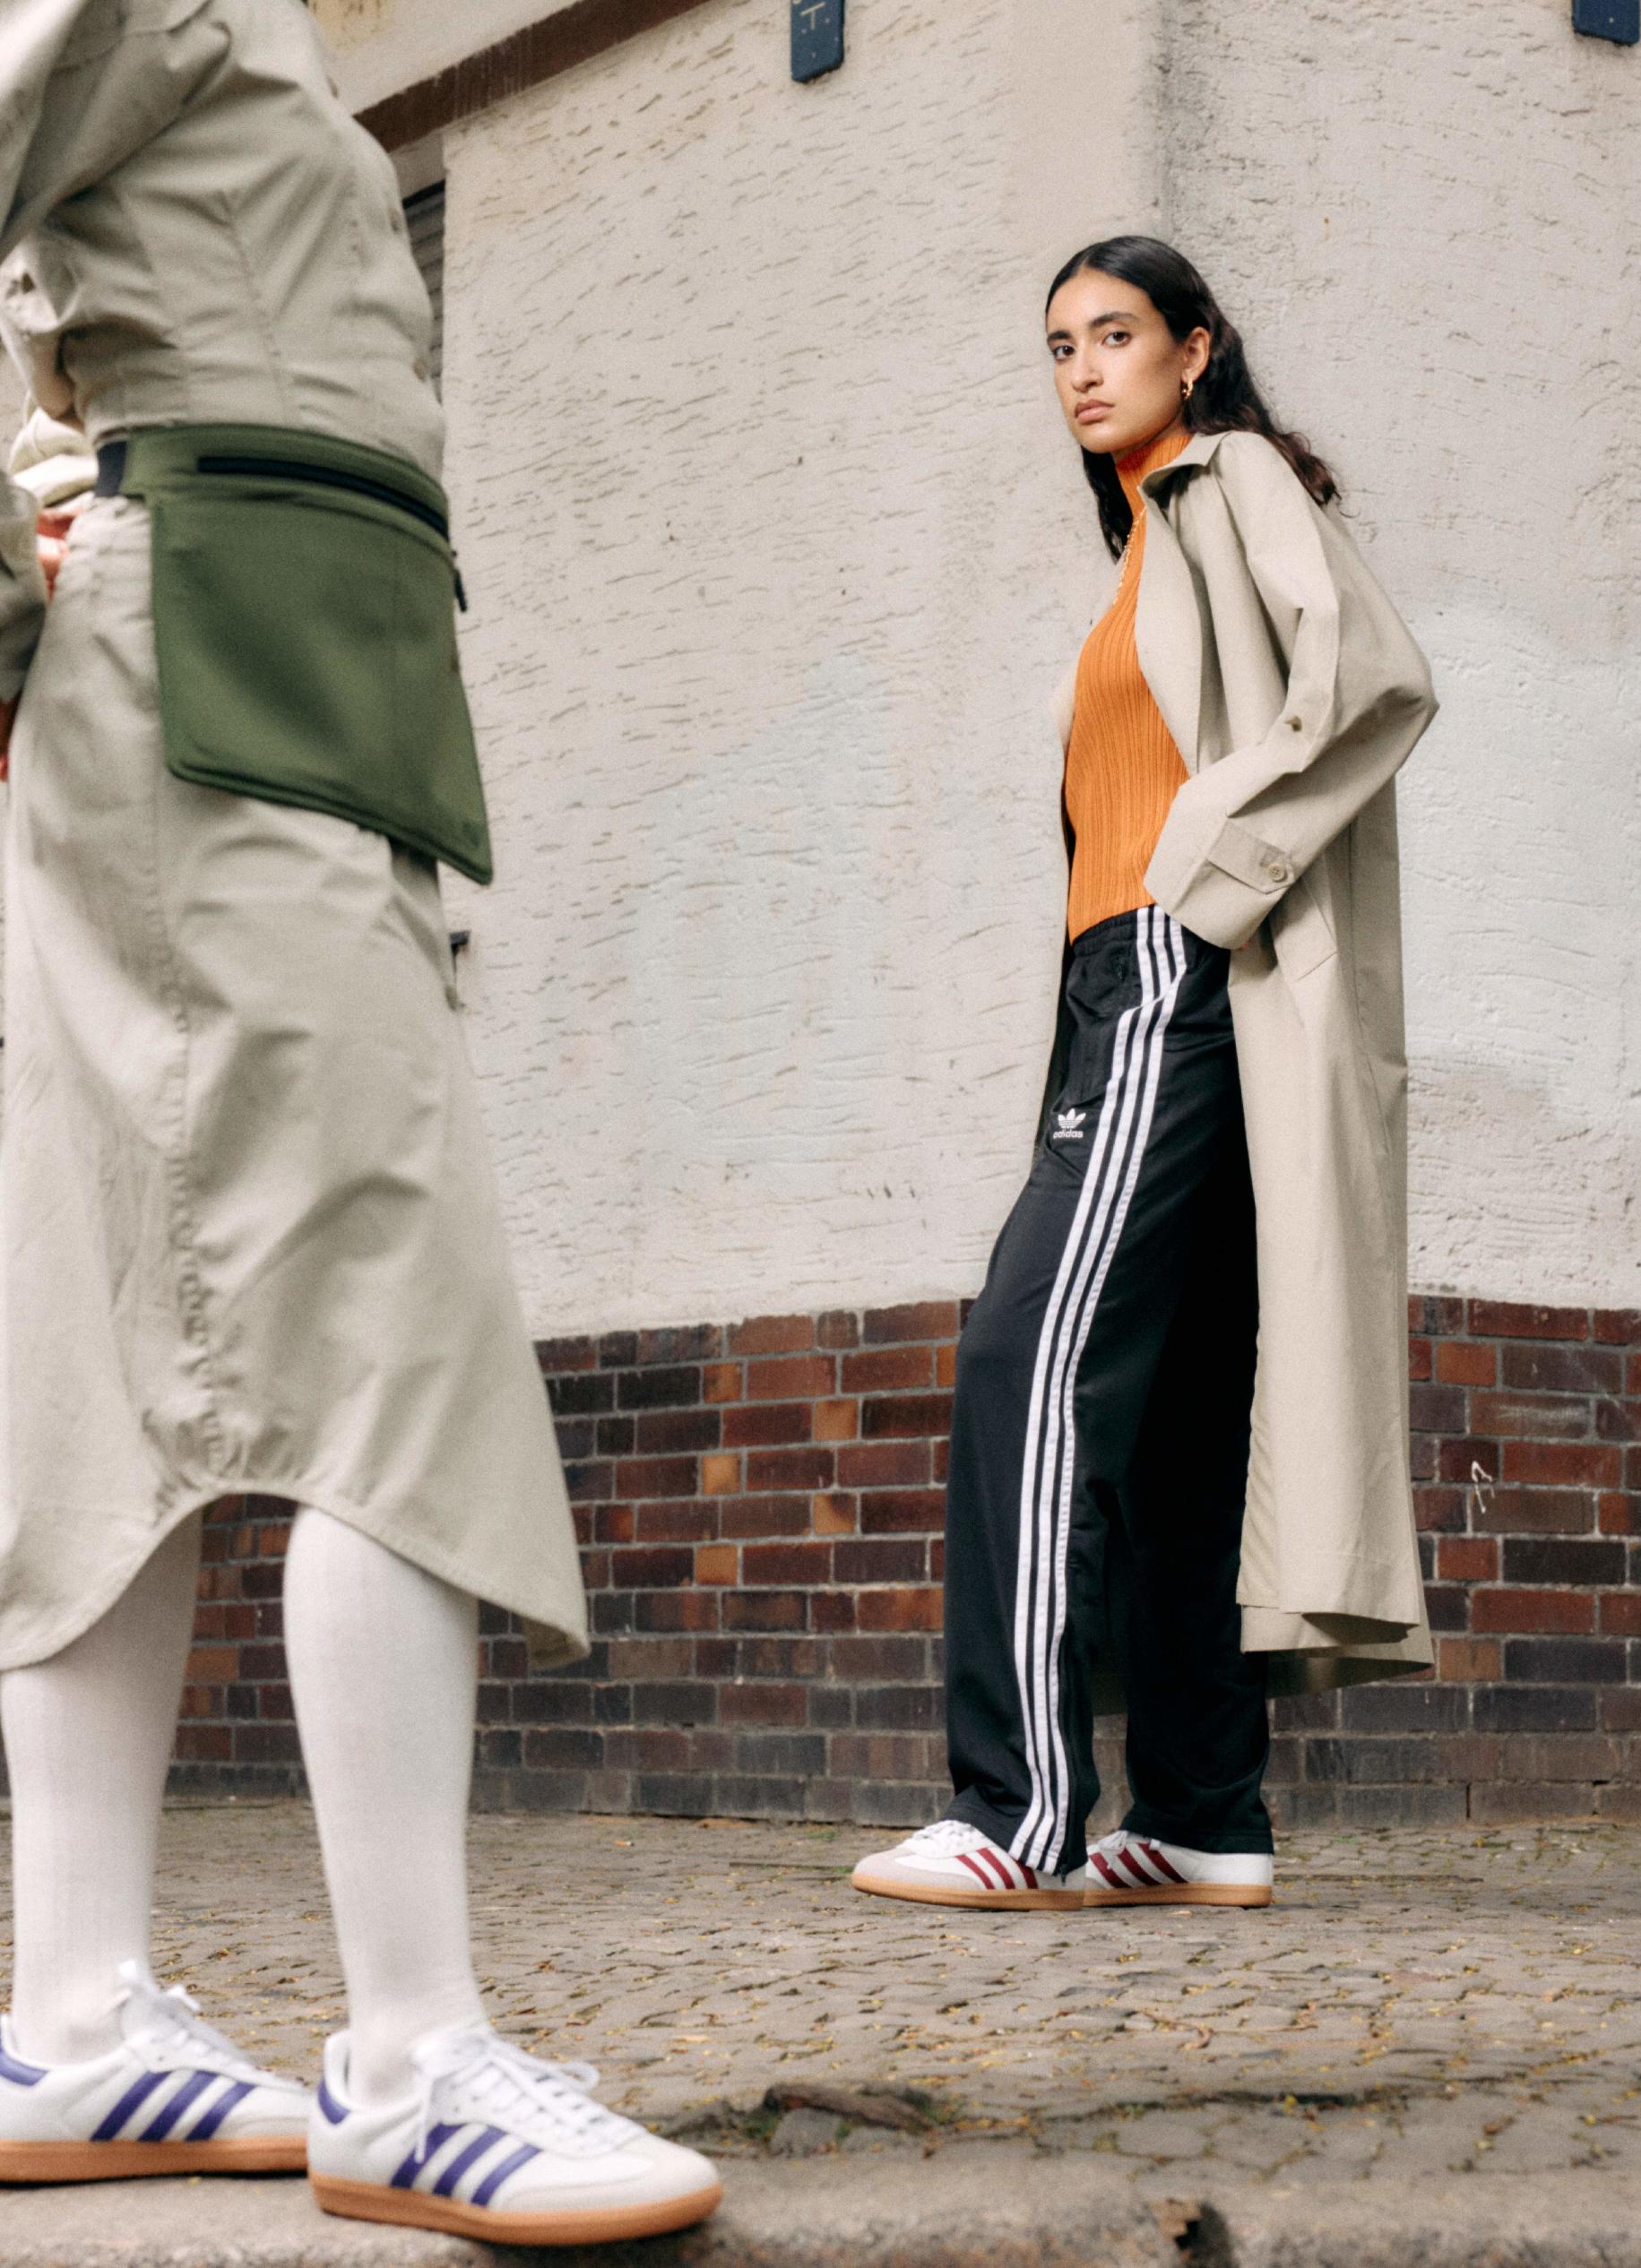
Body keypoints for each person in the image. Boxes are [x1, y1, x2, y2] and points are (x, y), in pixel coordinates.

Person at [0, 0, 719, 2243]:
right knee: (394, 1323)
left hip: (263, 671)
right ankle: (409, 2059)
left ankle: (78, 2014)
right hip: (227, 680)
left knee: (122, 1351)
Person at [853, 237, 1438, 1915]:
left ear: (1194, 348)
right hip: (1151, 981)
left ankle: (1016, 1807)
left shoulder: (1226, 477)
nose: (1082, 370)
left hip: (1174, 969)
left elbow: (1376, 678)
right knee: (1178, 1413)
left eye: (1114, 335)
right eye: (1058, 347)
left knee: (1024, 1357)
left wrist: (1200, 883)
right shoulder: (1146, 548)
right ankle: (1200, 1815)